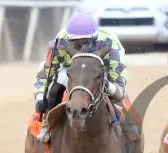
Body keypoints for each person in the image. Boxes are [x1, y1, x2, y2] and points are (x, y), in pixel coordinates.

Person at [32, 12, 128, 142]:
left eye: (84, 43)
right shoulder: (59, 42)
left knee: (121, 103)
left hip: (100, 71)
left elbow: (119, 88)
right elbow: (45, 73)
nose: (80, 48)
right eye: (75, 44)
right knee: (60, 79)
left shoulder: (110, 43)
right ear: (69, 39)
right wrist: (39, 98)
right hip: (71, 70)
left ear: (94, 39)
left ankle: (130, 131)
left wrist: (108, 86)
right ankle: (47, 124)